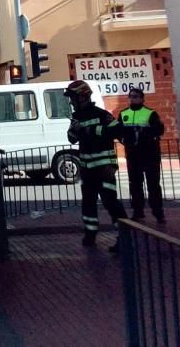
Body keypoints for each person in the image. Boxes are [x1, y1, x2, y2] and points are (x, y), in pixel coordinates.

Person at [65, 79, 127, 251]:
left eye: (73, 97)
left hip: (104, 167)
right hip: (87, 168)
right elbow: (71, 138)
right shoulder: (77, 117)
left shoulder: (101, 114)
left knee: (110, 201)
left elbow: (117, 131)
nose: (71, 101)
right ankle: (90, 234)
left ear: (83, 97)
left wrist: (92, 130)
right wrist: (75, 130)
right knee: (88, 202)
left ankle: (125, 236)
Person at [119, 87, 165, 222]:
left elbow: (159, 130)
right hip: (133, 155)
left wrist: (145, 134)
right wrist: (124, 140)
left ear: (142, 98)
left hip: (150, 154)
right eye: (131, 96)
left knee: (153, 185)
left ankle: (158, 213)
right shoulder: (124, 114)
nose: (133, 99)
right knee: (135, 184)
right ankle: (138, 211)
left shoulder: (150, 113)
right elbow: (119, 131)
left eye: (135, 96)